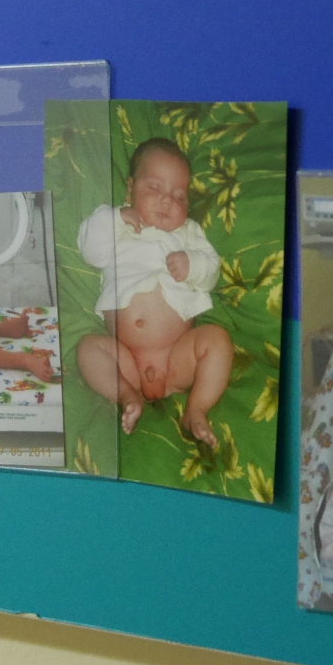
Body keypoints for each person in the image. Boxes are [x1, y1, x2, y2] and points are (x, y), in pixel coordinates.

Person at [76, 137, 232, 448]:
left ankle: (196, 408)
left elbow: (212, 270)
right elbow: (89, 250)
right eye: (154, 188)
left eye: (179, 196)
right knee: (87, 349)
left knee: (218, 340)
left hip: (177, 359)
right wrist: (116, 218)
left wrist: (193, 265)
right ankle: (126, 395)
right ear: (130, 189)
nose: (166, 201)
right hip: (126, 361)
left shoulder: (188, 233)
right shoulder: (116, 225)